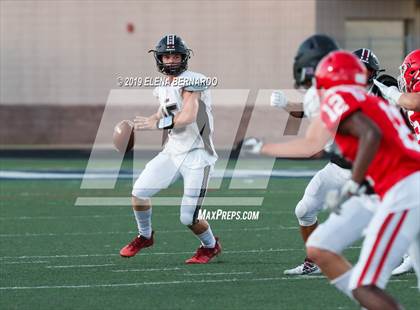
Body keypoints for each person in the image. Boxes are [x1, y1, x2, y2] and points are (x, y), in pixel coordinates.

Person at [310, 50, 420, 309]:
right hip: (407, 180)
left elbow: (410, 103)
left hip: (406, 184)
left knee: (364, 284)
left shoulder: (392, 101)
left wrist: (354, 183)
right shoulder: (382, 104)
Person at [243, 34, 351, 275]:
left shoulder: (344, 92)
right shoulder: (319, 94)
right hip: (340, 164)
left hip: (372, 170)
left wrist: (265, 149)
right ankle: (315, 261)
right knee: (304, 210)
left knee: (387, 222)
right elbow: (312, 118)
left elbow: (314, 147)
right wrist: (287, 106)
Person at [119, 34, 221, 264]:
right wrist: (148, 120)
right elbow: (166, 111)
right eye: (167, 56)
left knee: (188, 218)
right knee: (139, 193)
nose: (172, 60)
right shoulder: (163, 86)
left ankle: (211, 245)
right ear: (160, 59)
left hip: (198, 156)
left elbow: (188, 115)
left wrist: (158, 123)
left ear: (184, 58)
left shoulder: (195, 80)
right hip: (172, 152)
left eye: (176, 56)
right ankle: (145, 236)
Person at [373, 49, 420, 276]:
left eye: (406, 72)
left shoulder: (413, 98)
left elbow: (411, 102)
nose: (403, 77)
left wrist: (391, 92)